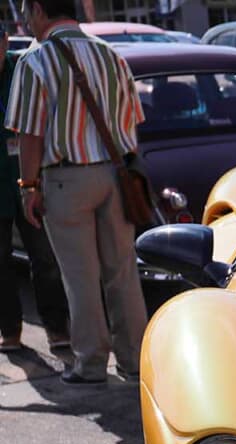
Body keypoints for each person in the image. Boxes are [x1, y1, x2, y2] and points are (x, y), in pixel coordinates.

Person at [6, 0, 148, 384]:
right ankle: (135, 360)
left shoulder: (35, 60)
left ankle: (91, 364)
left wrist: (28, 187)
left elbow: (30, 133)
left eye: (26, 13)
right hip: (116, 176)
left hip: (66, 180)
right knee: (122, 273)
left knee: (80, 277)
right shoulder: (112, 55)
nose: (26, 21)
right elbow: (132, 122)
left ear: (39, 10)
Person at [0, 24, 68, 353]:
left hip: (30, 175)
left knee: (44, 258)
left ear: (4, 40)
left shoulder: (23, 67)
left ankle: (57, 328)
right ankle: (10, 330)